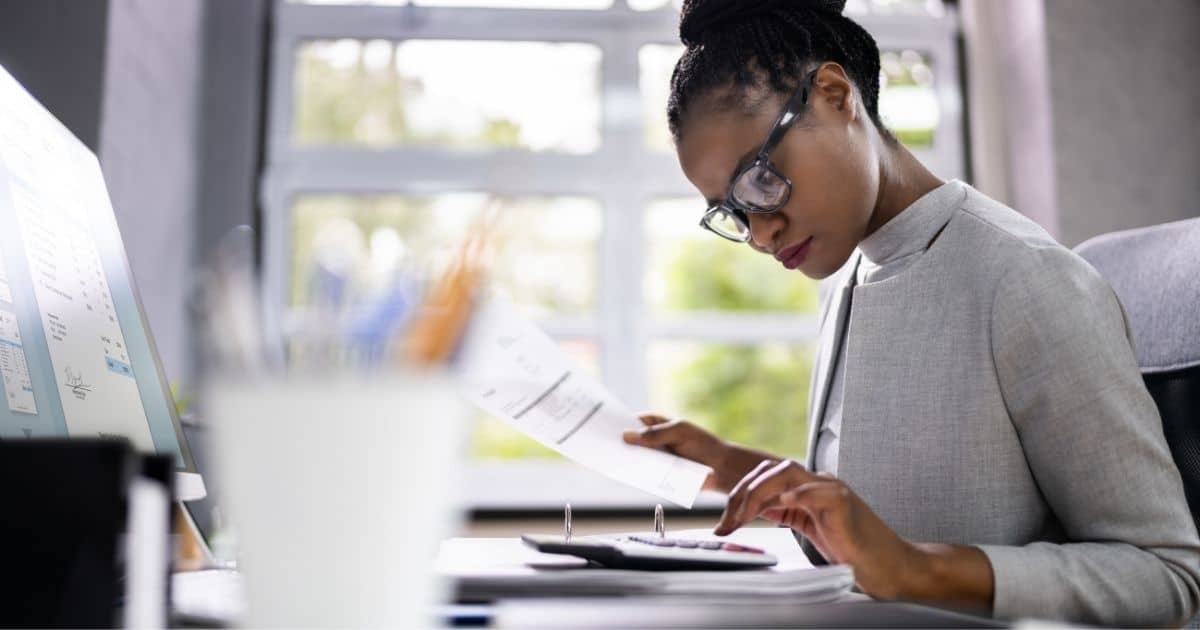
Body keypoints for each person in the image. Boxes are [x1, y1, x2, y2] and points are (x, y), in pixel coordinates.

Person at [621, 0, 1200, 625]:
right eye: (733, 213)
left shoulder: (1025, 279)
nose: (760, 235)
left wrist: (917, 568)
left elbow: (1167, 577)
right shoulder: (851, 276)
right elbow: (873, 529)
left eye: (760, 181)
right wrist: (739, 468)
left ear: (835, 95)